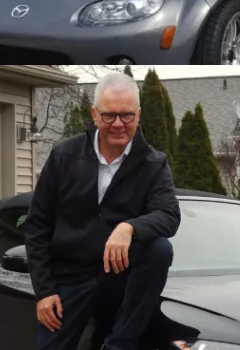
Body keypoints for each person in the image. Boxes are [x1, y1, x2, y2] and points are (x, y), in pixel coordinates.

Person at [24, 73, 180, 350]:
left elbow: (169, 215)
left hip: (119, 280)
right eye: (109, 116)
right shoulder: (64, 155)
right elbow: (38, 226)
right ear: (95, 114)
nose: (118, 124)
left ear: (138, 115)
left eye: (127, 116)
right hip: (69, 278)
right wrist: (44, 292)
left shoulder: (153, 163)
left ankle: (120, 344)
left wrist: (128, 227)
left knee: (159, 249)